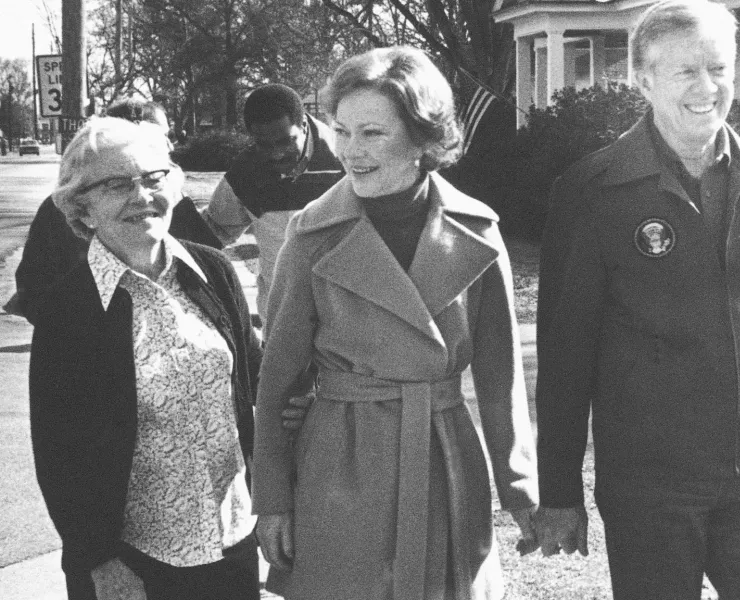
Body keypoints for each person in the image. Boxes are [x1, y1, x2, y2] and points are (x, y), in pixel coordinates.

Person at [533, 1, 740, 598]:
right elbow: (566, 357)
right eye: (686, 72)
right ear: (643, 80)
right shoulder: (591, 192)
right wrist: (560, 492)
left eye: (718, 69)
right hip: (648, 491)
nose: (709, 88)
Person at [251, 46, 539, 600]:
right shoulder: (312, 234)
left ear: (422, 139)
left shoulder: (478, 230)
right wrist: (273, 498)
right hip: (340, 462)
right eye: (342, 130)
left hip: (442, 452)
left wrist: (519, 487)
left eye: (372, 133)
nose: (350, 152)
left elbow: (500, 379)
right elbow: (277, 380)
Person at [29, 117, 262, 600]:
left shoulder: (214, 271)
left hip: (231, 540)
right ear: (83, 208)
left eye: (153, 178)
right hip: (132, 561)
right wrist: (97, 559)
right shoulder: (69, 308)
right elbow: (58, 451)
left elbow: (255, 385)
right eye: (116, 185)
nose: (142, 196)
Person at [11, 99, 222, 325]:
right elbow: (33, 287)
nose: (169, 147)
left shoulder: (167, 197)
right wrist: (74, 327)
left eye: (168, 137)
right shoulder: (63, 207)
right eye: (117, 184)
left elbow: (208, 266)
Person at [202, 83, 342, 330]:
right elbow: (210, 234)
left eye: (286, 141)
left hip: (347, 324)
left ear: (304, 126)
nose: (277, 154)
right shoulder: (246, 172)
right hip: (282, 324)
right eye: (264, 145)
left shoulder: (346, 158)